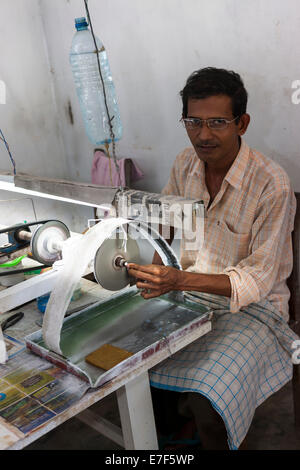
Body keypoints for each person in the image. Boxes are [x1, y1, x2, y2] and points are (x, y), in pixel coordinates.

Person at [127, 67, 299, 450]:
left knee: (211, 396)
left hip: (254, 312)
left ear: (242, 123)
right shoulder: (185, 164)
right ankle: (171, 430)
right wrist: (144, 263)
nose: (203, 135)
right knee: (129, 360)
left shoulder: (272, 183)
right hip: (187, 297)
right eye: (193, 121)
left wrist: (174, 280)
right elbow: (163, 226)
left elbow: (255, 281)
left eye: (218, 122)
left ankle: (206, 428)